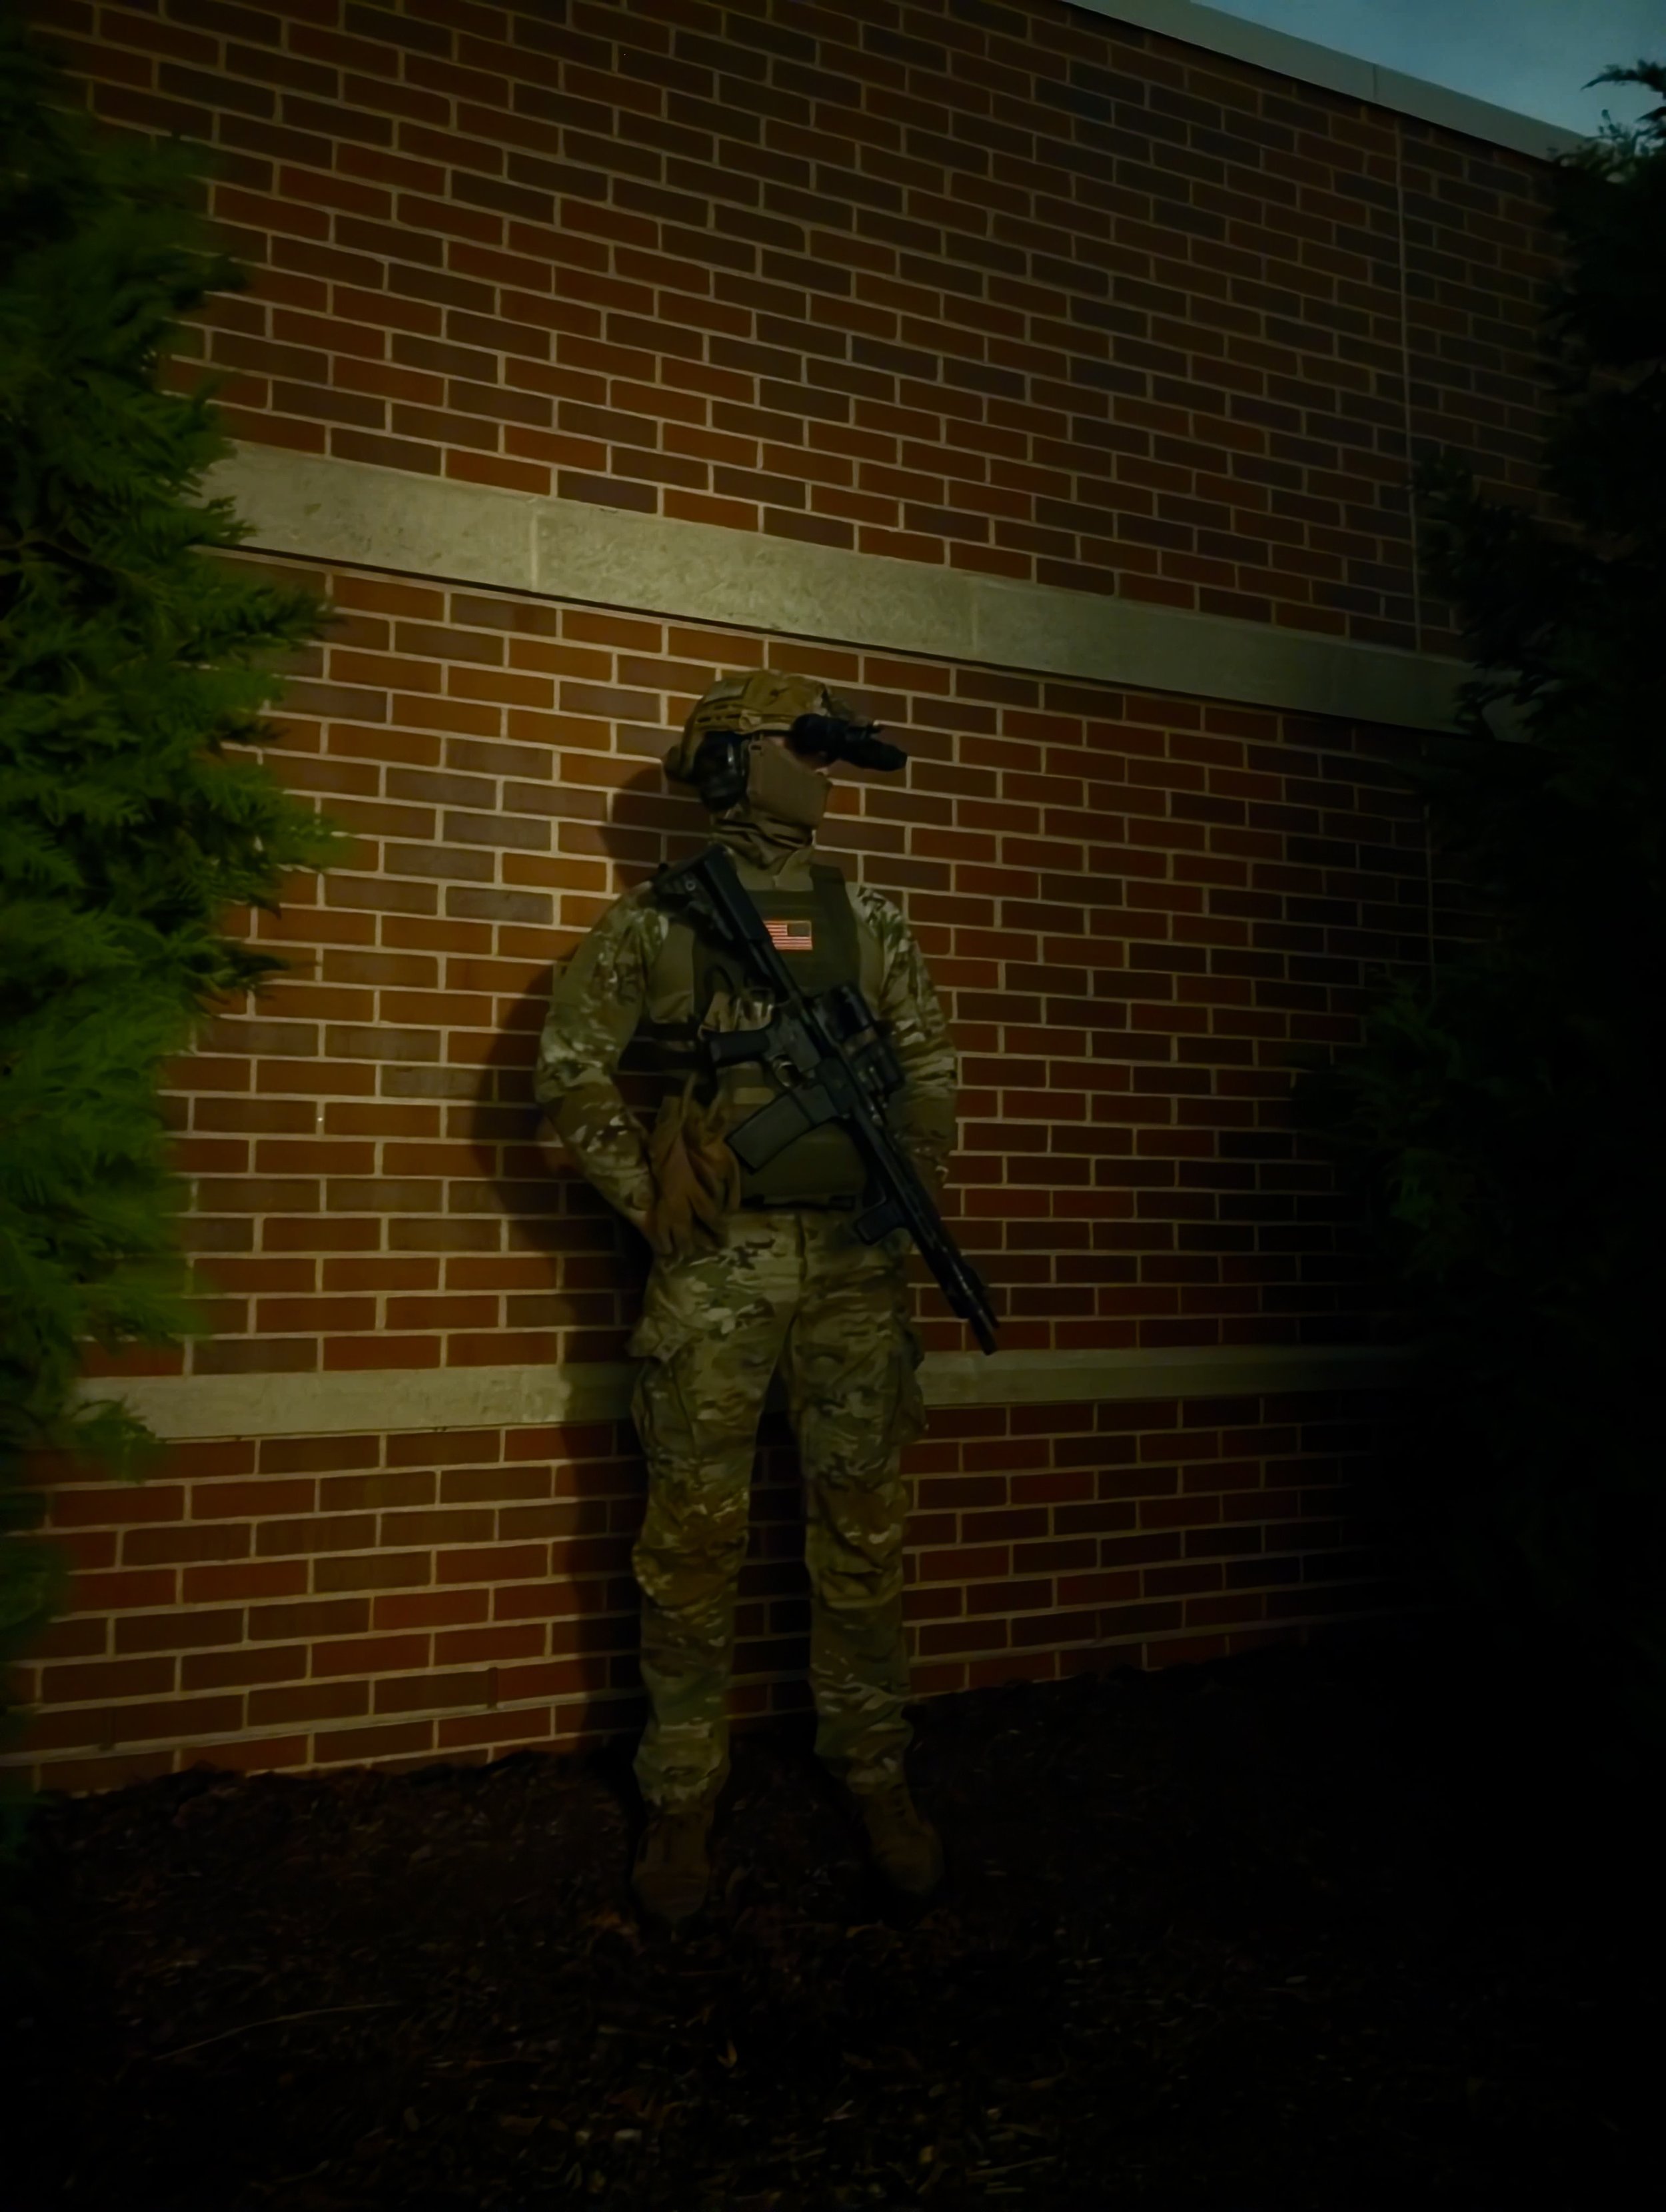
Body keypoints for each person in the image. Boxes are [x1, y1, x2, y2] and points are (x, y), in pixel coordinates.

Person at [533, 669, 960, 1927]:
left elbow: (929, 1055)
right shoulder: (657, 923)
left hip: (856, 1270)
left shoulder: (865, 915)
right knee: (692, 1540)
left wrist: (913, 1174)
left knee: (866, 1528)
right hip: (718, 1278)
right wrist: (647, 1194)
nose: (823, 770)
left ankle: (874, 1771)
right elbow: (570, 1071)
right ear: (736, 761)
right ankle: (681, 1791)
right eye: (805, 746)